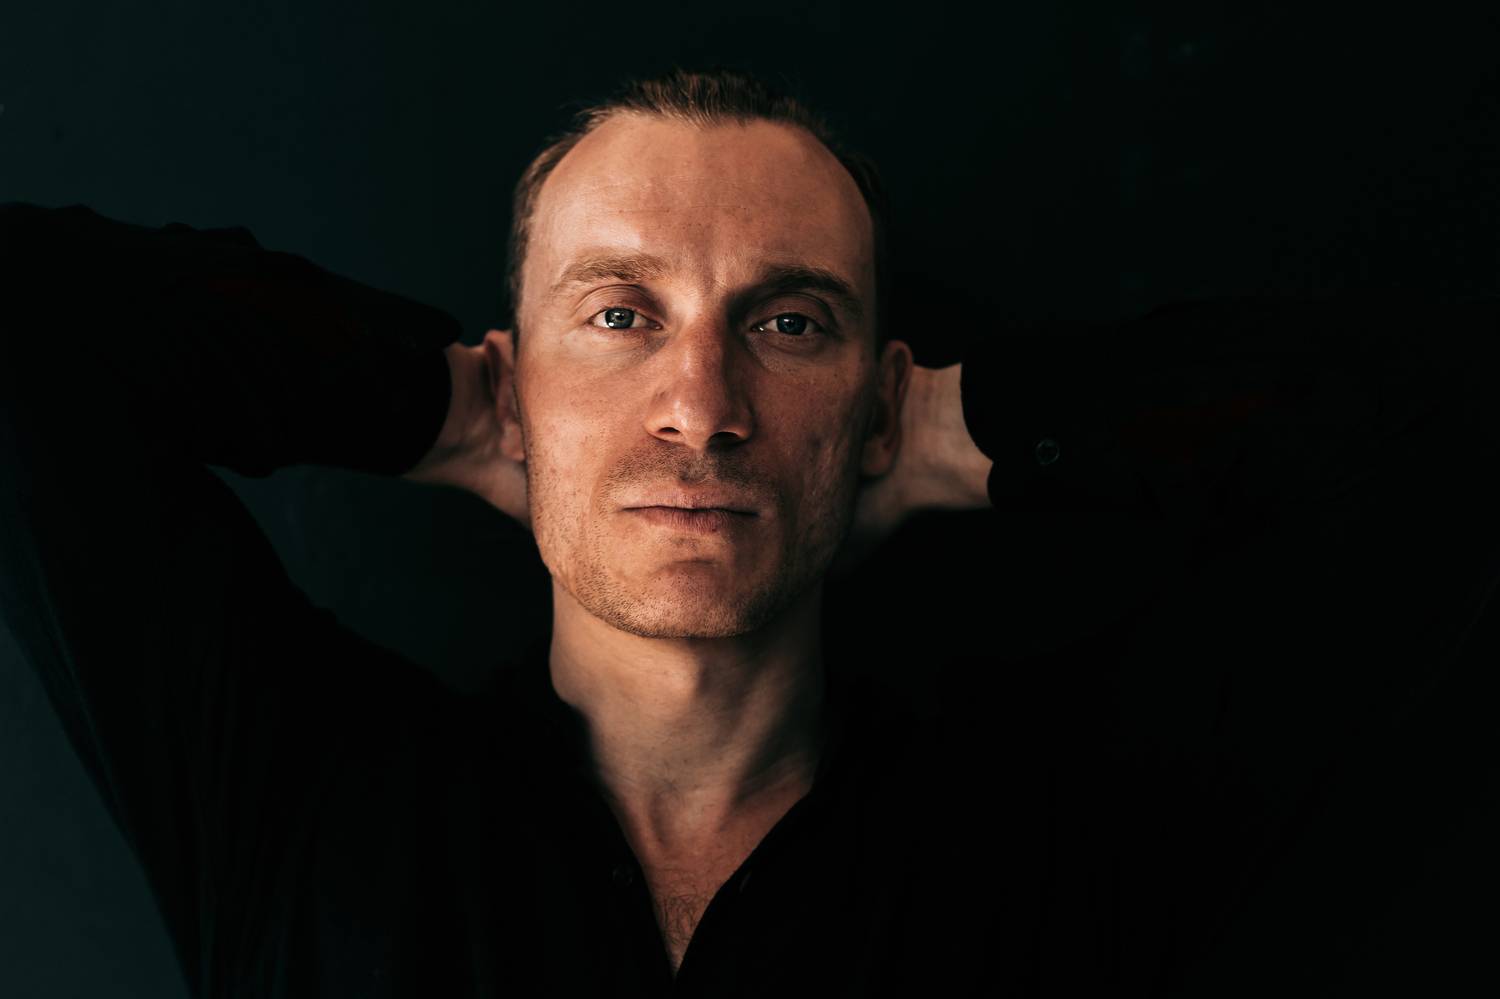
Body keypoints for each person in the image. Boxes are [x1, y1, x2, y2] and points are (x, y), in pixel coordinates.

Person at [2, 66, 1498, 998]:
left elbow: (1441, 436)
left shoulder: (1065, 827)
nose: (702, 409)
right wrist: (435, 406)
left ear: (872, 399)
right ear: (519, 387)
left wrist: (952, 428)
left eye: (788, 324)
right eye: (619, 315)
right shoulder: (304, 805)